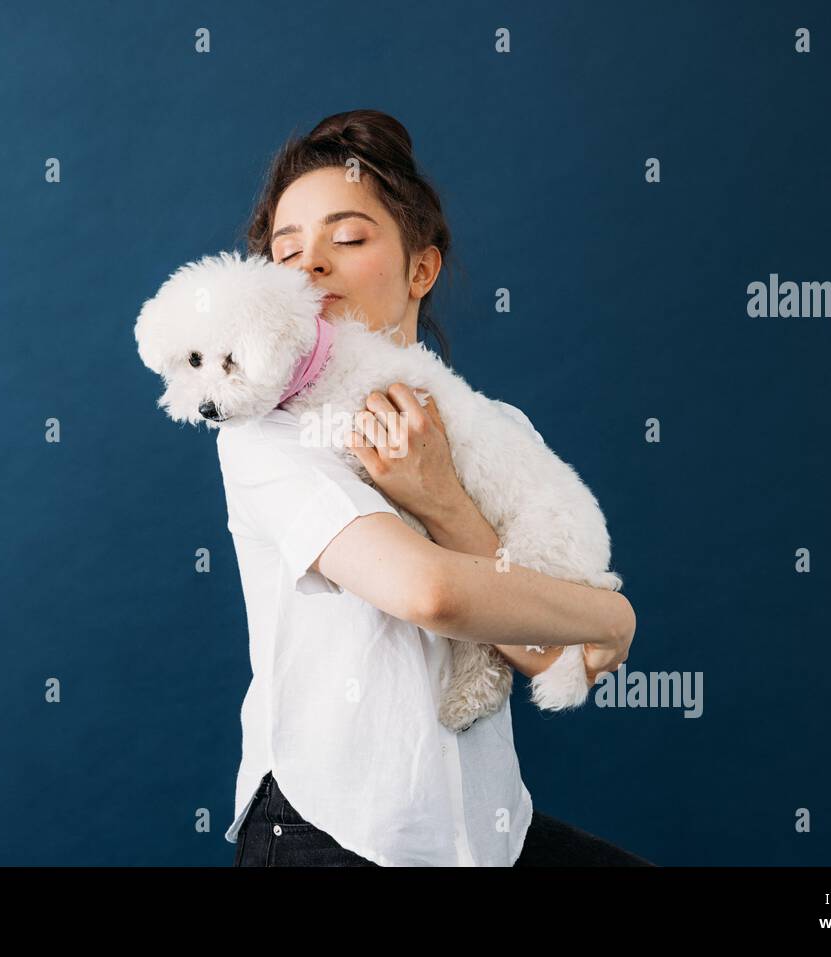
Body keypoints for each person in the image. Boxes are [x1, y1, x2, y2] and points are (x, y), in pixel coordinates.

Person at [220, 109, 652, 867]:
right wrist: (612, 616)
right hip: (328, 831)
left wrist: (444, 498)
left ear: (422, 268)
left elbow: (550, 655)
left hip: (487, 834)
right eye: (285, 251)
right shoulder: (267, 434)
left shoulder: (498, 431)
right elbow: (427, 593)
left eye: (347, 238)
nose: (309, 265)